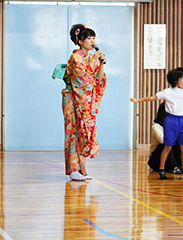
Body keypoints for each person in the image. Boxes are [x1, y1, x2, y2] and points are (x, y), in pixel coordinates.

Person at [130, 67, 183, 179]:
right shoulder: (168, 92)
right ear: (176, 80)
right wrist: (138, 100)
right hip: (171, 120)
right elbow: (152, 98)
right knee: (167, 147)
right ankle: (161, 169)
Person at [62, 24, 107, 181]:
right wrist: (93, 60)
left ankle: (82, 169)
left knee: (83, 132)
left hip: (84, 100)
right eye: (89, 38)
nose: (92, 41)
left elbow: (98, 80)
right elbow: (81, 77)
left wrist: (100, 63)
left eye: (94, 38)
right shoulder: (76, 57)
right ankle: (73, 169)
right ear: (80, 41)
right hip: (73, 98)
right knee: (73, 132)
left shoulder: (90, 58)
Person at [148, 102, 183, 173]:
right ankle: (174, 167)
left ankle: (179, 166)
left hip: (168, 160)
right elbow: (162, 140)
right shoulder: (156, 126)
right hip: (156, 161)